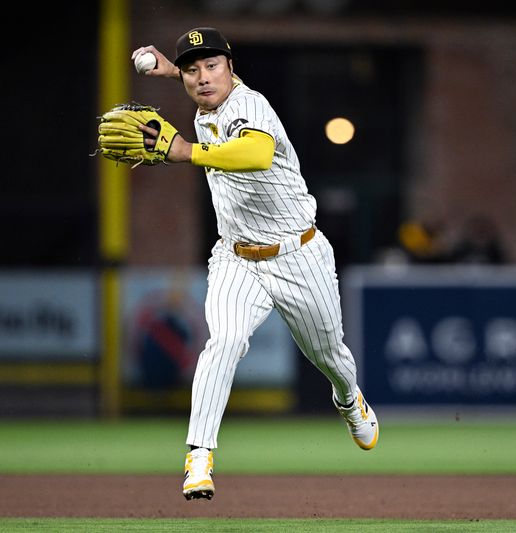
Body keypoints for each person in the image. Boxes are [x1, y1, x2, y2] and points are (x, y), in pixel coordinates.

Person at [129, 28, 379, 501]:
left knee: (329, 355)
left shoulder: (252, 105)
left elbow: (257, 152)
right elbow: (203, 90)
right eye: (192, 69)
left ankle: (349, 399)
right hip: (235, 258)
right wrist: (167, 71)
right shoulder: (204, 100)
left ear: (231, 66)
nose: (203, 77)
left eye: (213, 65)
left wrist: (184, 151)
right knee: (222, 343)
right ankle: (198, 457)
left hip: (298, 254)